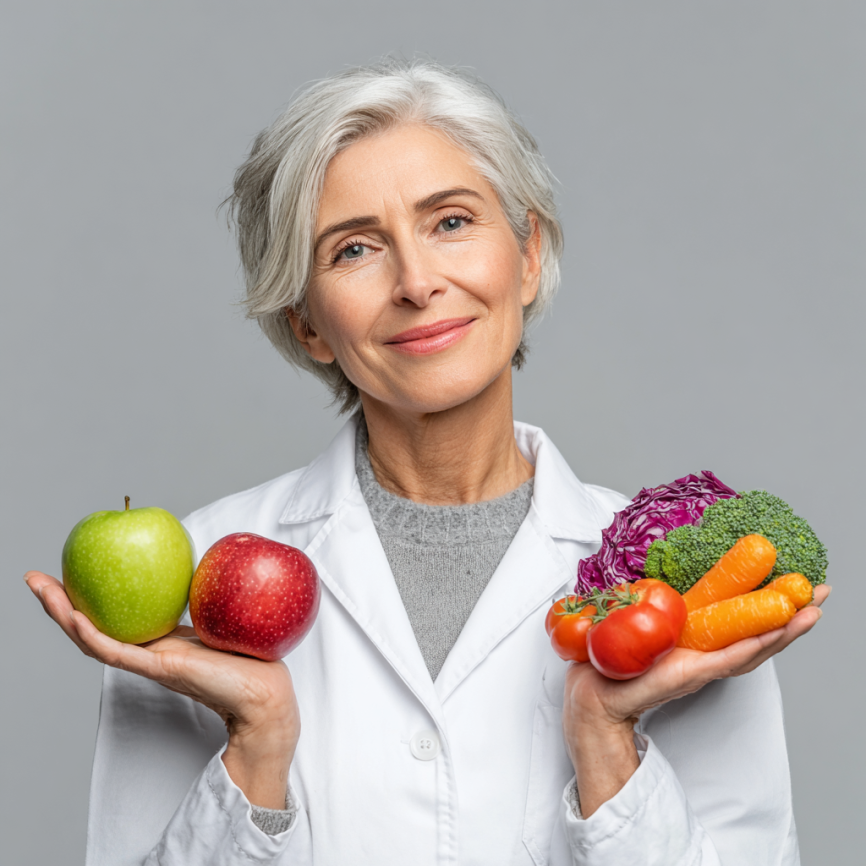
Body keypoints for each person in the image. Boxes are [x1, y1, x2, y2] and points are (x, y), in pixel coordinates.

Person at [26, 59, 827, 866]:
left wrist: (607, 743)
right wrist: (256, 750)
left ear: (526, 254)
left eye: (450, 222)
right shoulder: (192, 583)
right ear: (307, 323)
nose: (416, 282)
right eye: (355, 250)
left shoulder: (689, 589)